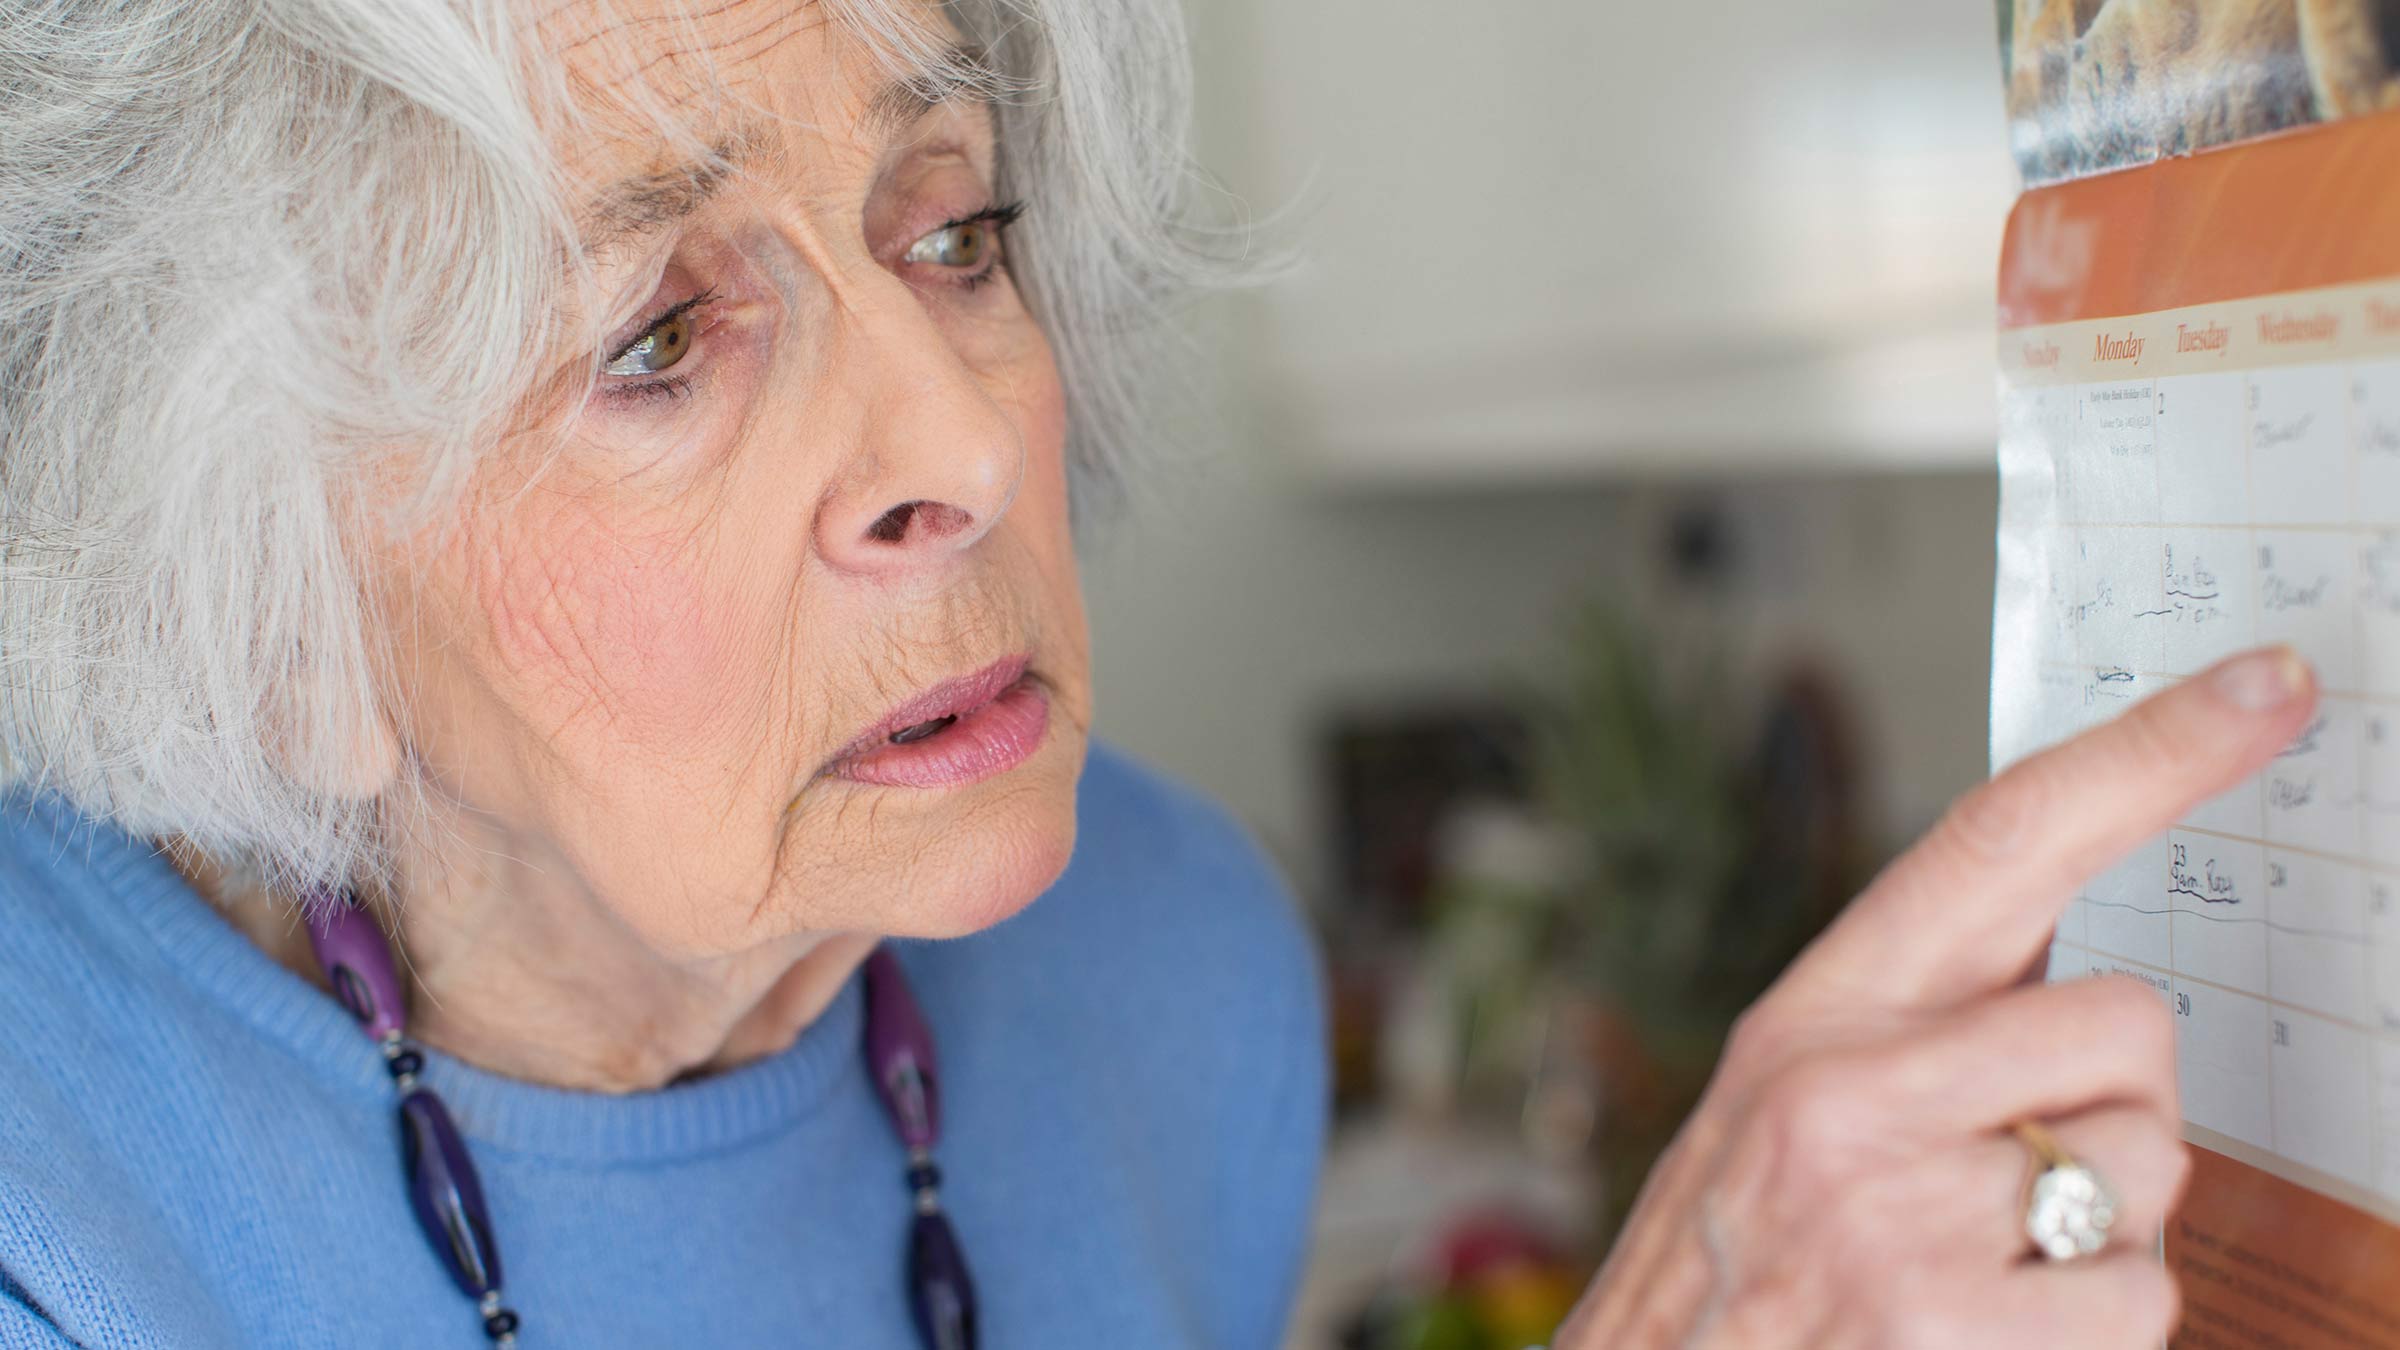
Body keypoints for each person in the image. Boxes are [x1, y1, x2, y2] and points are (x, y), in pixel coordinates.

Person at [0, 0, 2320, 1345]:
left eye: (955, 231)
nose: (955, 446)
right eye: (659, 342)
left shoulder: (1170, 970)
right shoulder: (56, 1229)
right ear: (277, 616)